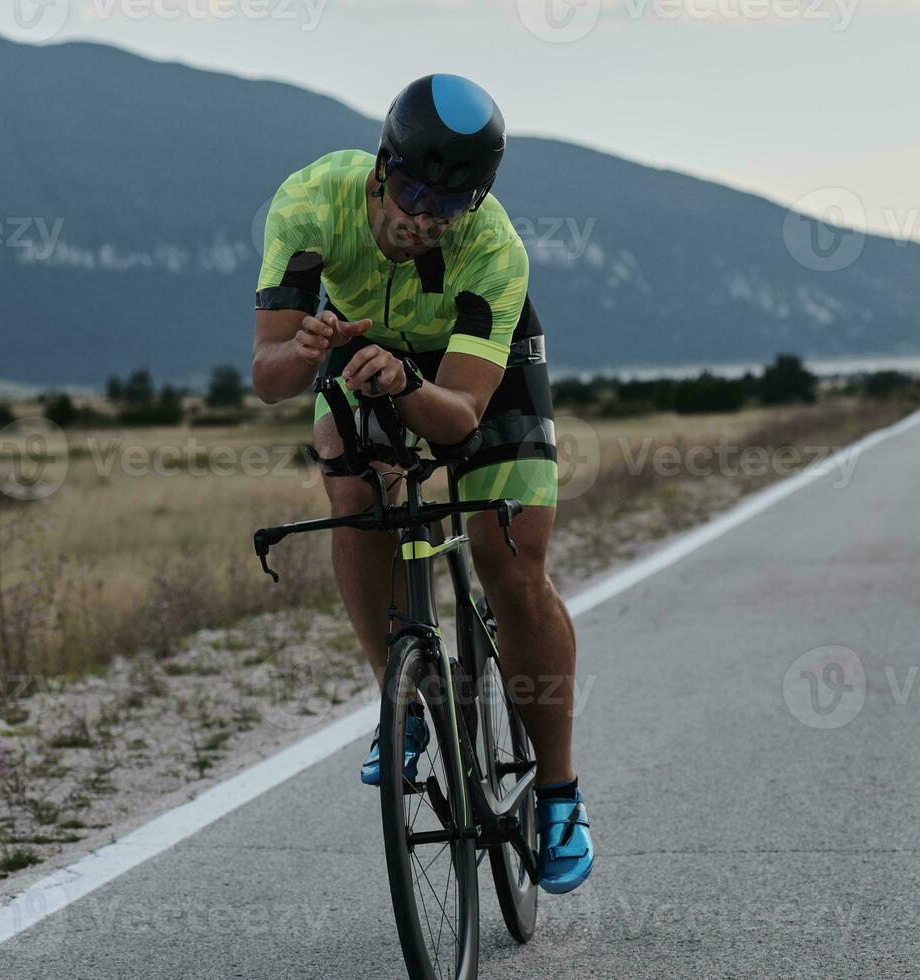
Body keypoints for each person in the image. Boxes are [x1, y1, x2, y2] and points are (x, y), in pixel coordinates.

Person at [248, 74, 592, 893]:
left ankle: (558, 793)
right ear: (380, 166)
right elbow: (268, 377)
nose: (421, 218)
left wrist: (404, 387)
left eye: (449, 203)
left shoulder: (492, 247)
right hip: (363, 344)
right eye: (409, 190)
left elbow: (464, 418)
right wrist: (304, 351)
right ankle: (401, 703)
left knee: (511, 560)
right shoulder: (308, 204)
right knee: (351, 490)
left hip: (474, 377)